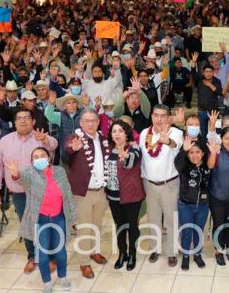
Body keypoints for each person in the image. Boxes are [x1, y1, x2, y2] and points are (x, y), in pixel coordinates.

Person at [0, 108, 58, 273]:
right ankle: (32, 256)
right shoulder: (5, 141)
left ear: (33, 121)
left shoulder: (40, 138)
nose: (23, 121)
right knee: (27, 225)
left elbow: (54, 146)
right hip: (19, 192)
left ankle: (50, 257)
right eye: (19, 118)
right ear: (14, 122)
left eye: (27, 118)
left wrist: (46, 139)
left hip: (41, 191)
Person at [8, 147, 76, 293]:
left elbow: (68, 193)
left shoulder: (59, 172)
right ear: (32, 161)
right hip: (40, 220)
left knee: (61, 252)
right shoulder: (30, 173)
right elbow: (22, 178)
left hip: (59, 218)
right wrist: (15, 174)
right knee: (42, 255)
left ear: (49, 158)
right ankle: (47, 282)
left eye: (42, 155)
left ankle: (62, 278)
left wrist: (73, 216)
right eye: (36, 157)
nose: (39, 159)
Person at [64, 109, 110, 279]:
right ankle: (84, 262)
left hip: (101, 191)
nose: (90, 123)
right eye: (86, 121)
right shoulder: (75, 138)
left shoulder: (102, 138)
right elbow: (66, 150)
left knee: (97, 225)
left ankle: (93, 251)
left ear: (98, 122)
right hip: (83, 193)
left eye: (93, 120)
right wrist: (72, 148)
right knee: (84, 228)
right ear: (81, 123)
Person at [139, 104, 184, 267]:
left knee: (171, 219)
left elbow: (176, 145)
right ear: (151, 117)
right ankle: (155, 248)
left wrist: (168, 141)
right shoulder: (145, 133)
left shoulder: (176, 133)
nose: (159, 119)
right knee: (153, 218)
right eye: (156, 115)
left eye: (163, 115)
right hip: (149, 184)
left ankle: (172, 251)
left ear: (168, 118)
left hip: (170, 184)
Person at [105, 121, 144, 271]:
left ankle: (133, 254)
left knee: (132, 225)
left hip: (131, 195)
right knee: (119, 225)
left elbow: (131, 161)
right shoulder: (108, 149)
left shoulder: (133, 147)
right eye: (114, 131)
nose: (117, 134)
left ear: (126, 133)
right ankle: (123, 253)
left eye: (120, 131)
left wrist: (126, 157)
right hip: (113, 196)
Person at [175, 136, 213, 271]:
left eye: (197, 152)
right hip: (186, 205)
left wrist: (213, 152)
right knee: (187, 231)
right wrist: (183, 151)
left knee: (199, 231)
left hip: (203, 206)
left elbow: (213, 163)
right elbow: (177, 162)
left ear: (203, 153)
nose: (195, 155)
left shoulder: (207, 166)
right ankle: (185, 255)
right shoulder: (184, 166)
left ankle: (197, 254)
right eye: (191, 152)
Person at [207, 126, 229, 267]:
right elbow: (209, 166)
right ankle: (218, 251)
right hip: (217, 196)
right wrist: (213, 154)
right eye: (226, 138)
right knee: (219, 223)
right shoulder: (217, 152)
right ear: (221, 139)